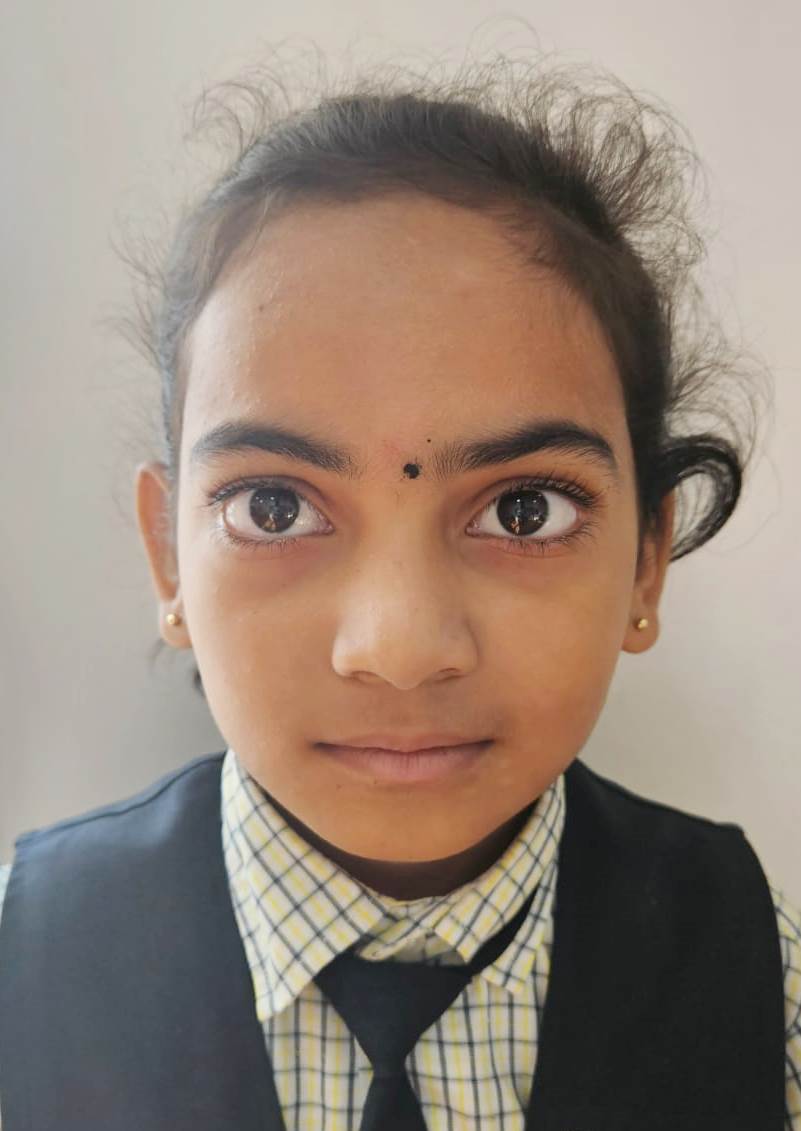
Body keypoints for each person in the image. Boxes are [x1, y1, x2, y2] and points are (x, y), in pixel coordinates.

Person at [0, 52, 798, 1130]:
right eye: (274, 507)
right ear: (169, 557)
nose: (402, 648)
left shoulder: (765, 986)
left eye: (524, 510)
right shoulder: (20, 973)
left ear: (647, 560)